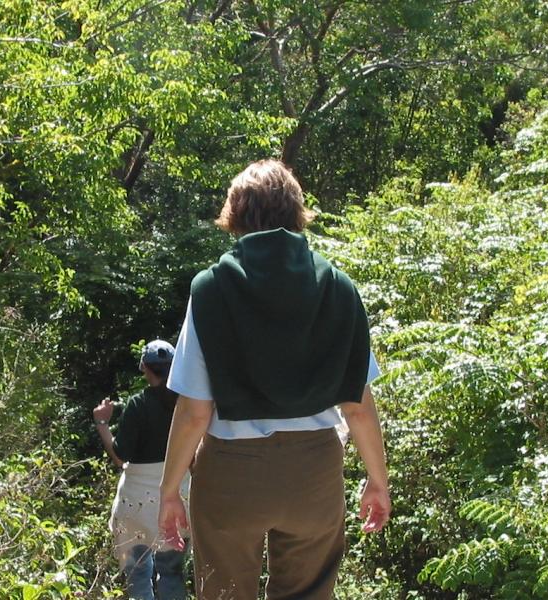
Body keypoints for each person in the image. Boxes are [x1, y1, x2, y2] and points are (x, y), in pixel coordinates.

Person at [156, 159, 391, 599]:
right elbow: (357, 406)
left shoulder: (211, 288)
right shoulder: (338, 287)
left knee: (224, 593)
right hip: (315, 472)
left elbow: (193, 414)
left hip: (230, 472)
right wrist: (378, 481)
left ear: (235, 215)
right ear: (297, 212)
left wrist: (170, 491)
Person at [95, 340, 190, 600]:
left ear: (144, 368)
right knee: (171, 571)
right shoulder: (186, 403)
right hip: (180, 493)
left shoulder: (138, 404)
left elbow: (120, 456)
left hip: (137, 500)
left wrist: (102, 422)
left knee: (137, 571)